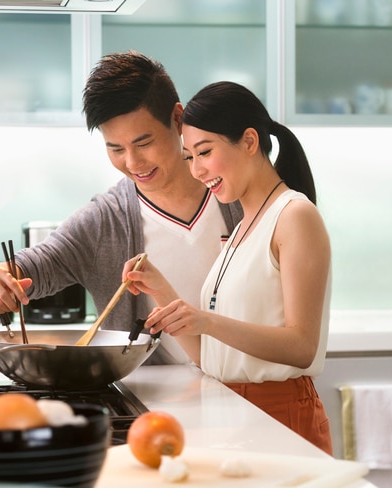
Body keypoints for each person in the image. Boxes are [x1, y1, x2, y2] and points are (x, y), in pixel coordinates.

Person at [0, 51, 242, 365]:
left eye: (144, 143)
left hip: (243, 388)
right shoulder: (105, 221)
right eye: (115, 148)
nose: (132, 162)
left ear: (177, 118)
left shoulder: (236, 195)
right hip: (150, 397)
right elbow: (32, 266)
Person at [122, 81, 333, 454]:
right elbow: (211, 357)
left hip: (280, 416)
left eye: (204, 152)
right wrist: (161, 291)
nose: (197, 170)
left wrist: (206, 321)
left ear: (249, 142)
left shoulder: (294, 215)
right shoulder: (241, 227)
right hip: (229, 413)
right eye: (189, 157)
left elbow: (302, 346)